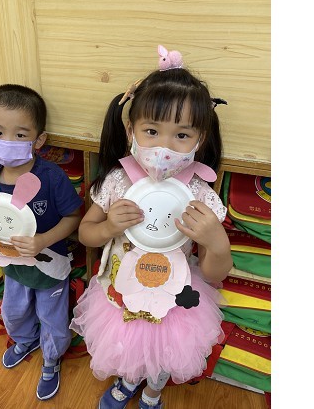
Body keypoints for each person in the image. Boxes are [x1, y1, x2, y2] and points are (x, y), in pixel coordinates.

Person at [70, 46, 233, 409]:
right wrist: (108, 227)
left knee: (165, 353)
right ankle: (129, 381)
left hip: (175, 298)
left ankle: (153, 392)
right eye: (152, 131)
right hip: (120, 291)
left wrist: (217, 243)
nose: (164, 147)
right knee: (128, 346)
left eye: (181, 135)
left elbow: (214, 273)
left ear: (200, 139)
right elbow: (86, 234)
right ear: (131, 130)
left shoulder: (199, 194)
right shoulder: (117, 181)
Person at [0, 84, 83, 401]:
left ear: (39, 139)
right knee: (14, 311)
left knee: (52, 318)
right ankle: (25, 340)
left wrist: (43, 240)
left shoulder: (51, 176)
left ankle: (51, 359)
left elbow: (74, 217)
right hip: (12, 266)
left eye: (20, 135)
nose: (8, 141)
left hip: (49, 267)